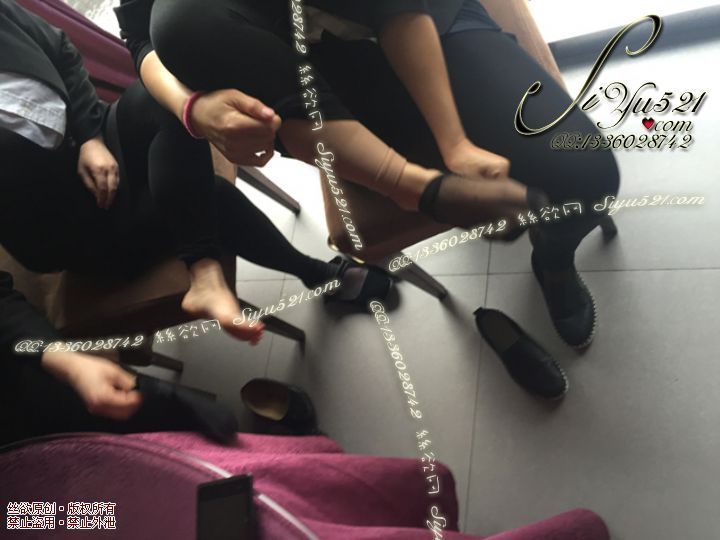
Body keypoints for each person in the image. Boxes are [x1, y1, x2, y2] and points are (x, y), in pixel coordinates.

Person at [115, 0, 620, 360]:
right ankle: (420, 188)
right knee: (178, 18)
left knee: (588, 174)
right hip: (315, 85)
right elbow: (144, 39)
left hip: (424, 22)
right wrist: (191, 107)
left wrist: (454, 143)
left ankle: (552, 258)